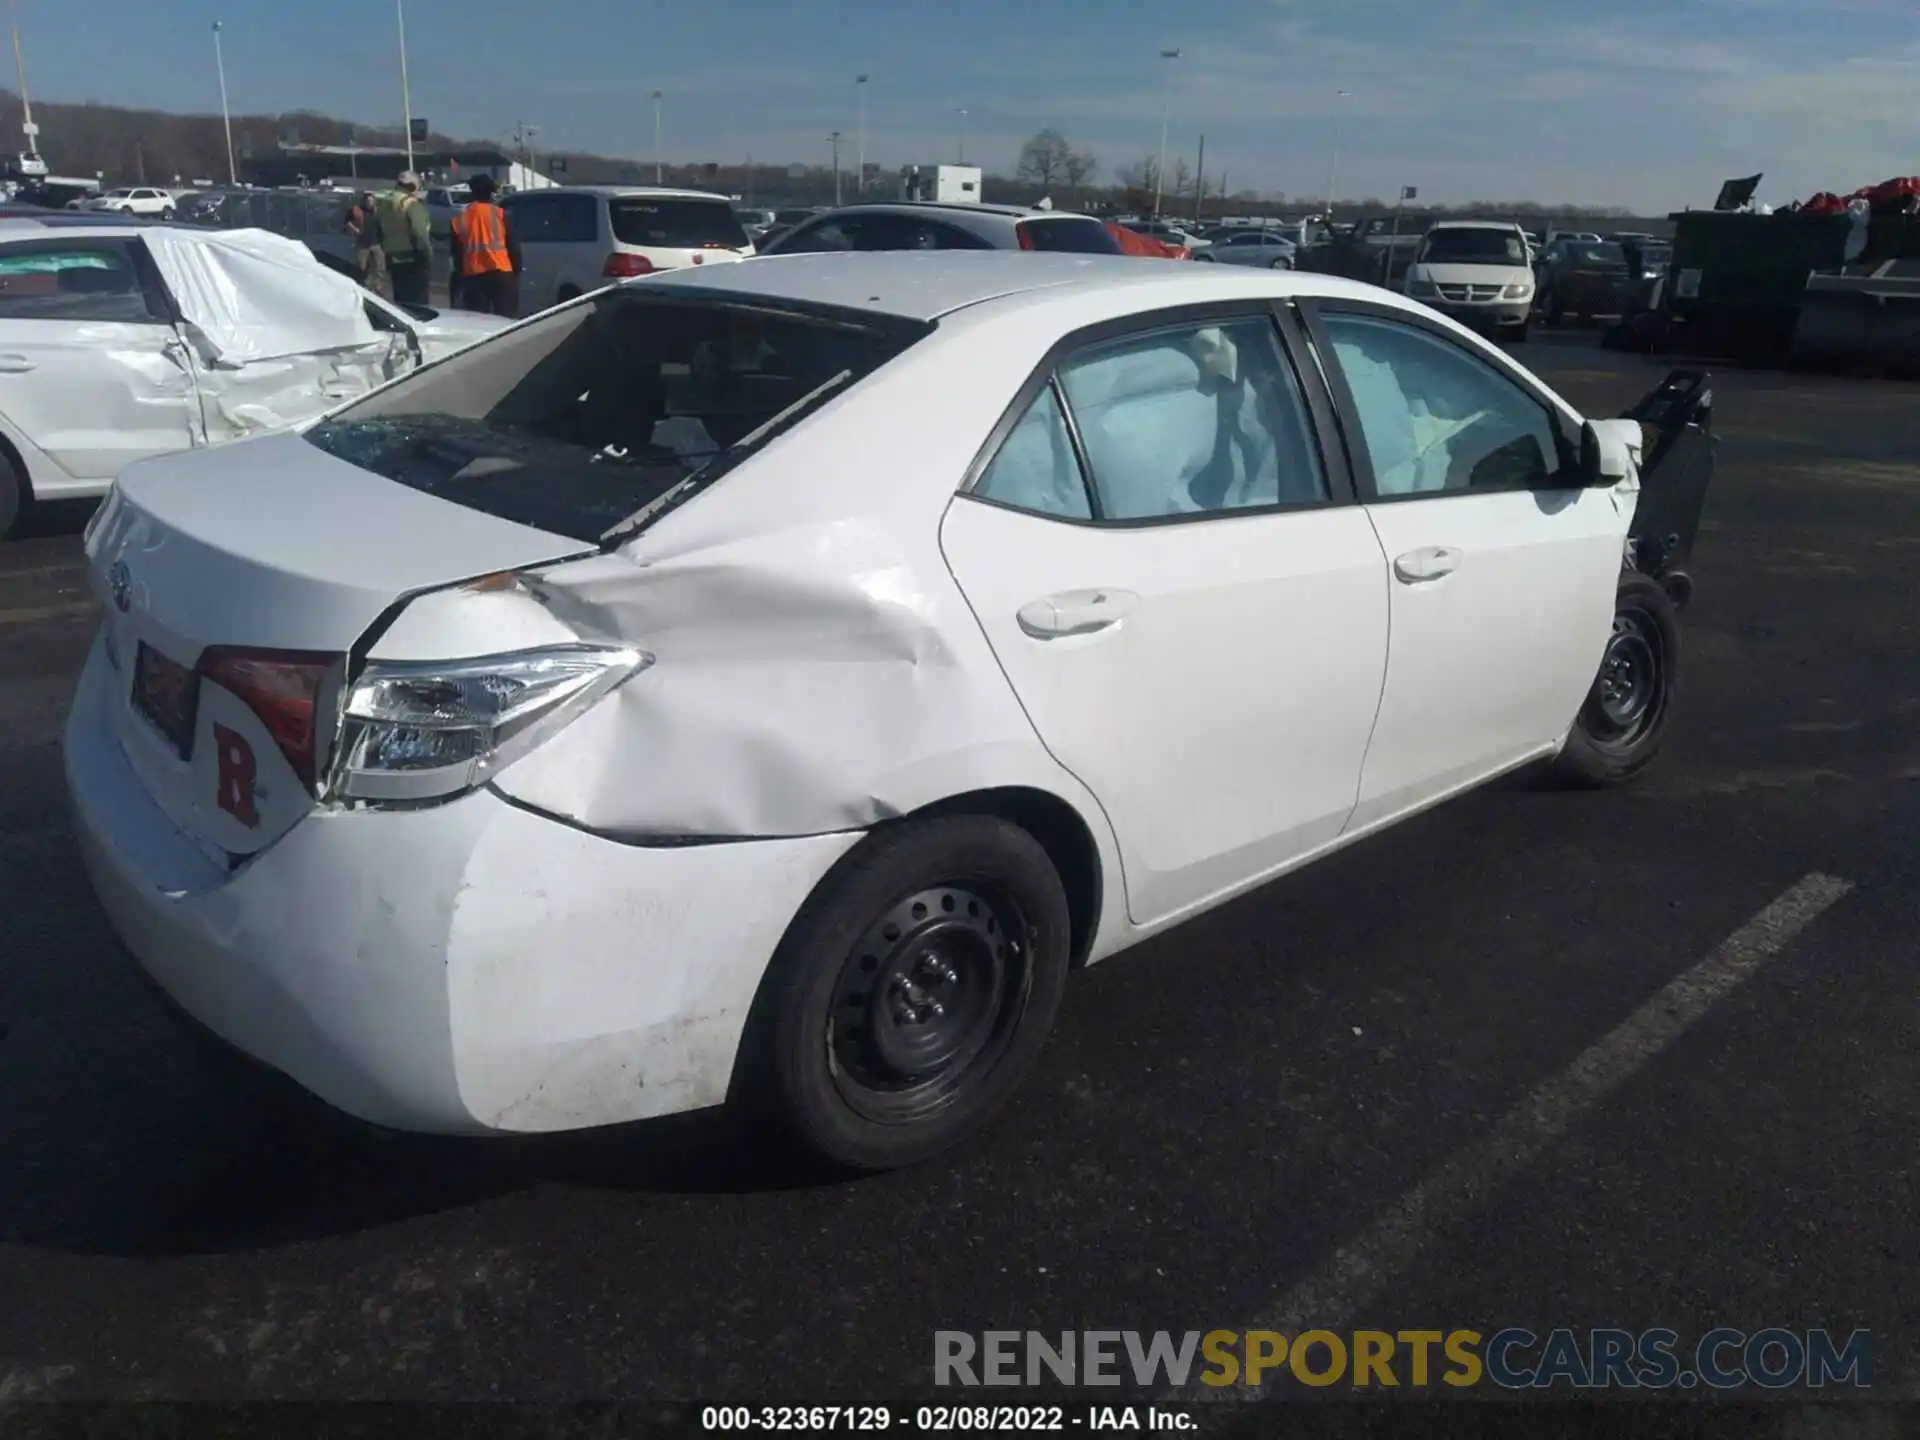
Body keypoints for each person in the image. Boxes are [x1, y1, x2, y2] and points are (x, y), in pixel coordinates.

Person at [448, 174, 520, 317]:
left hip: (474, 277)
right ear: (490, 193)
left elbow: (456, 255)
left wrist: (459, 280)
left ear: (473, 193)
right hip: (502, 273)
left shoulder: (459, 219)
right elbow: (513, 246)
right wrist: (516, 271)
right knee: (506, 321)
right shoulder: (500, 214)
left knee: (479, 322)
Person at [376, 171, 432, 307]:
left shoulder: (386, 202)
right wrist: (429, 253)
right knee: (418, 304)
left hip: (393, 257)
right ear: (412, 186)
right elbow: (419, 231)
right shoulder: (410, 204)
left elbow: (379, 229)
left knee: (401, 303)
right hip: (413, 258)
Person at [346, 190, 389, 299]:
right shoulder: (357, 210)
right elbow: (347, 220)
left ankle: (377, 288)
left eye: (371, 200)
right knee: (361, 267)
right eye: (368, 200)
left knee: (380, 267)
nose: (369, 202)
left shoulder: (378, 212)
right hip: (363, 243)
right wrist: (355, 229)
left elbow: (382, 227)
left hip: (376, 243)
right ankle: (360, 287)